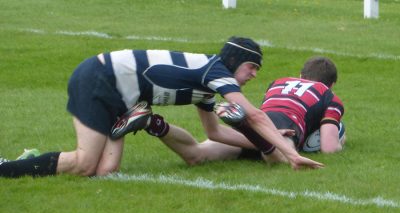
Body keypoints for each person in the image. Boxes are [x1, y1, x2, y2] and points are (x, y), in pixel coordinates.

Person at [0, 36, 323, 178]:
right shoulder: (216, 71)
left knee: (104, 172)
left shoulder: (208, 86)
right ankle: (9, 167)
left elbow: (214, 132)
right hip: (100, 79)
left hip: (125, 96)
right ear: (236, 61)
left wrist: (264, 143)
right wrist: (290, 153)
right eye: (252, 67)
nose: (253, 75)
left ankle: (141, 118)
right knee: (85, 164)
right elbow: (254, 114)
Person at [125, 56, 344, 165]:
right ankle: (242, 124)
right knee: (278, 158)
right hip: (280, 129)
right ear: (331, 84)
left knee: (196, 154)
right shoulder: (330, 96)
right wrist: (341, 138)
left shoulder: (279, 82)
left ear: (300, 75)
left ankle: (153, 123)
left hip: (261, 121)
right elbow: (328, 147)